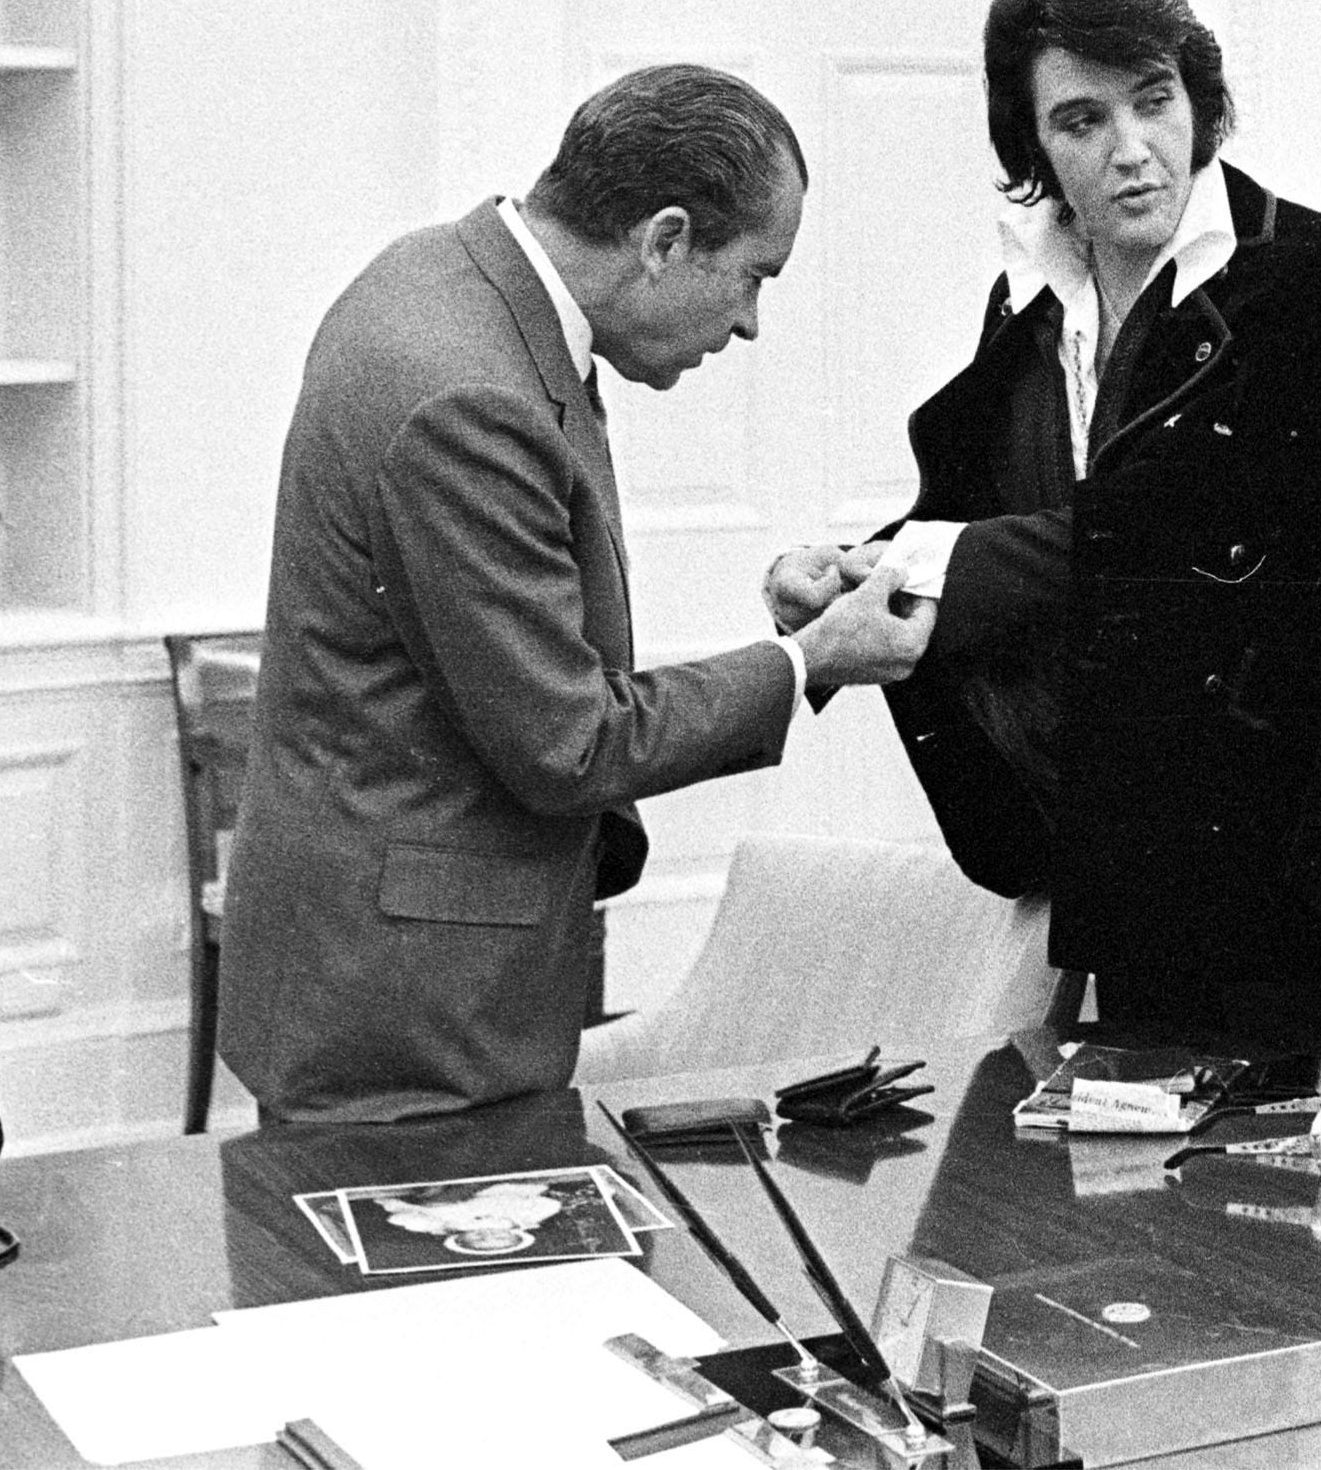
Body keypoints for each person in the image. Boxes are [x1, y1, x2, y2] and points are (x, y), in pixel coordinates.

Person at [768, 0, 1321, 1091]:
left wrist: (927, 565)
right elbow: (1003, 506)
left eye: (1153, 99)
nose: (1131, 146)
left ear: (1200, 101)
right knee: (1145, 1244)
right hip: (1125, 869)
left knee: (1319, 1241)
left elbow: (1205, 529)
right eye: (1082, 119)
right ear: (1034, 148)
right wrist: (856, 571)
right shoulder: (1032, 307)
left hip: (1297, 870)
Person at [219, 65, 933, 1123]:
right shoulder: (468, 389)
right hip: (410, 1014)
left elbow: (514, 638)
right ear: (664, 239)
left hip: (371, 958)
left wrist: (793, 628)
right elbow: (568, 742)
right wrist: (812, 659)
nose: (748, 325)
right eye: (753, 277)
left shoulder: (437, 279)